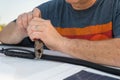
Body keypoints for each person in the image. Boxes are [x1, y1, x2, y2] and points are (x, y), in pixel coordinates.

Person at [0, 0, 120, 67]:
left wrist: (61, 43)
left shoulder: (115, 5)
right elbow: (4, 35)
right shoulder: (50, 9)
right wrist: (19, 31)